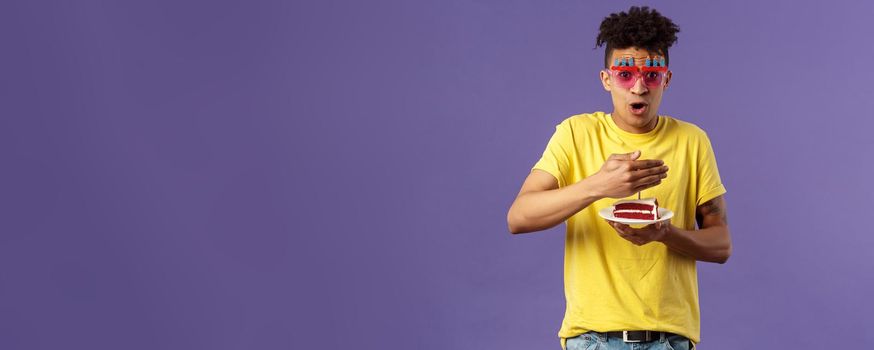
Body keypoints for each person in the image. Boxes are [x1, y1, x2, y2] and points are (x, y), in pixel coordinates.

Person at [506, 6, 731, 350]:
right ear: (606, 79)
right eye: (625, 74)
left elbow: (721, 246)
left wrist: (665, 233)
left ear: (666, 79)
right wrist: (599, 186)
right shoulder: (575, 134)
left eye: (651, 75)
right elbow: (519, 217)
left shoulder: (693, 141)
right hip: (592, 339)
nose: (639, 87)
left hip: (670, 340)